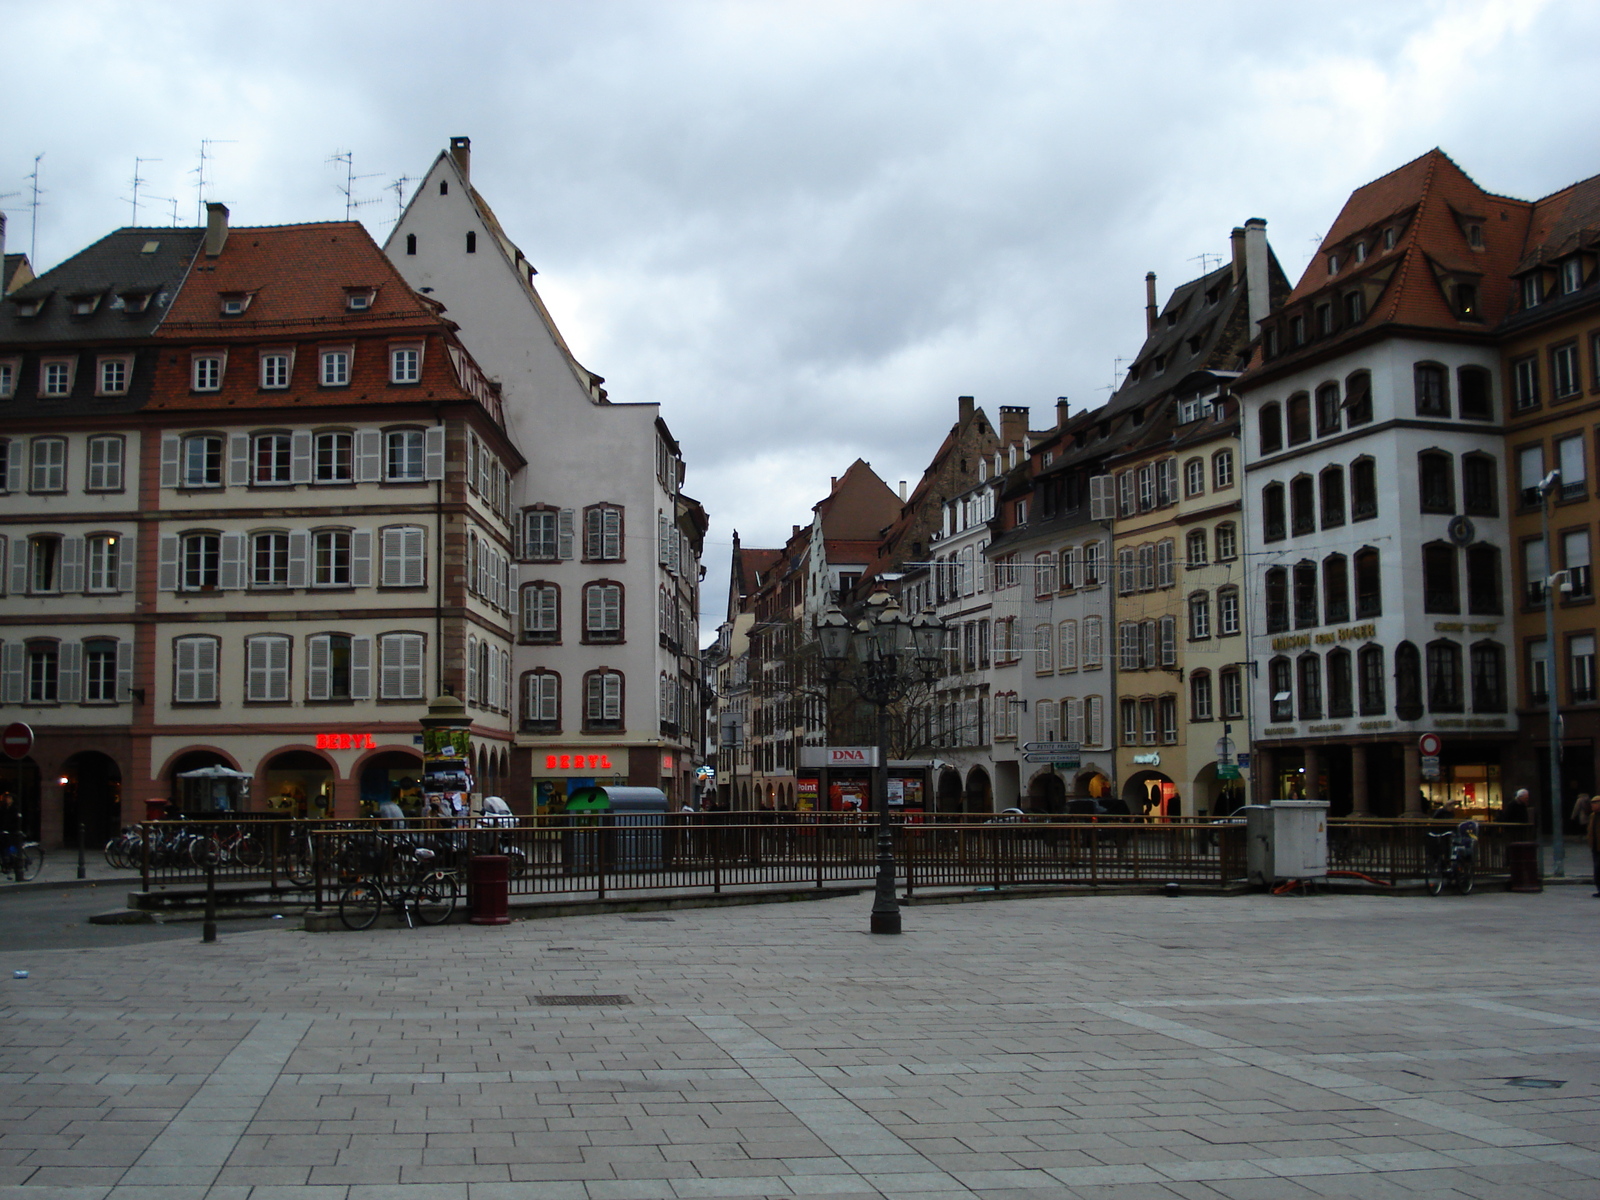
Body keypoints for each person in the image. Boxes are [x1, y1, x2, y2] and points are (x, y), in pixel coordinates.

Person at [1587, 794, 1600, 898]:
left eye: (1594, 804)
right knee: (1597, 869)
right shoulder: (1592, 816)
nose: (1592, 806)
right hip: (1595, 847)